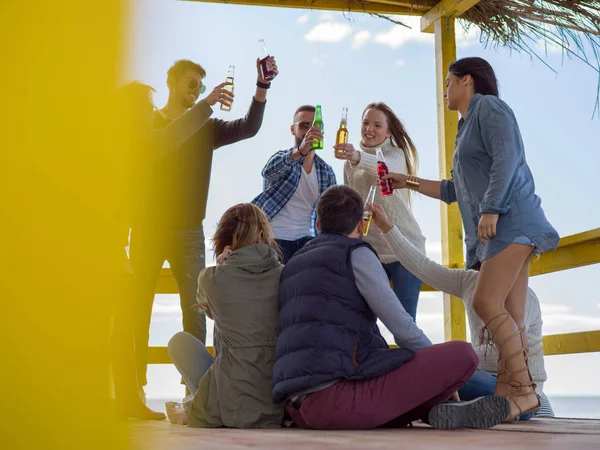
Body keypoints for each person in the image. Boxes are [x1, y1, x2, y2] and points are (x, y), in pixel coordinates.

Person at [382, 57, 560, 421]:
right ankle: (507, 399)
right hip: (501, 227)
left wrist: (491, 208)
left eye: (448, 82)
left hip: (513, 221)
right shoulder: (464, 129)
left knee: (484, 300)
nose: (444, 90)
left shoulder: (489, 107)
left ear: (466, 80)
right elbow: (454, 190)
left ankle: (525, 395)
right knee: (511, 314)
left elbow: (507, 157)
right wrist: (407, 181)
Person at [273, 185, 510, 430]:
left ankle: (437, 412)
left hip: (297, 407)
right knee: (463, 354)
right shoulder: (355, 254)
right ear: (360, 225)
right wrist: (444, 383)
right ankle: (451, 405)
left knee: (389, 379)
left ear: (319, 225)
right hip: (338, 400)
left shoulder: (292, 266)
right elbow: (402, 328)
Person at [130, 56, 279, 393]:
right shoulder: (148, 124)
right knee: (138, 306)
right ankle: (134, 386)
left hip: (188, 232)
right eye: (191, 83)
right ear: (171, 82)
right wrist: (207, 104)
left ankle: (194, 389)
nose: (197, 90)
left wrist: (262, 87)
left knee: (194, 310)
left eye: (200, 85)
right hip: (147, 229)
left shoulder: (205, 127)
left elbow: (248, 127)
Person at [368, 202, 555, 420]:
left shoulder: (525, 297)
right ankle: (454, 412)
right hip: (480, 378)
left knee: (438, 371)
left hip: (520, 392)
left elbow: (505, 353)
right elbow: (423, 266)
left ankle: (446, 407)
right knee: (432, 370)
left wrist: (451, 356)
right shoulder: (469, 281)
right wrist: (388, 228)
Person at [112, 80, 231, 420]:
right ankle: (127, 397)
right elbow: (166, 139)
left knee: (125, 320)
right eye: (146, 107)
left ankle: (129, 399)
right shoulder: (133, 139)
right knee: (125, 318)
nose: (152, 112)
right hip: (105, 243)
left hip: (115, 242)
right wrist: (206, 104)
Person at [167, 203, 285, 428]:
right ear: (264, 234)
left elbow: (210, 311)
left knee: (179, 343)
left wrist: (222, 266)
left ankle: (198, 404)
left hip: (229, 402)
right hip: (274, 403)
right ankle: (196, 403)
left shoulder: (211, 278)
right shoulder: (285, 275)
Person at [334, 103, 425, 321]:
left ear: (389, 131)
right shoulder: (350, 162)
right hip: (371, 252)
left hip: (406, 249)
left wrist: (356, 156)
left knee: (405, 321)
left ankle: (412, 355)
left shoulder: (396, 155)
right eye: (366, 123)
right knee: (362, 320)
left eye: (377, 125)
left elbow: (383, 167)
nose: (369, 129)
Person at [252, 105, 337, 263]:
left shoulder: (326, 171)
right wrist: (301, 150)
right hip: (273, 240)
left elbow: (331, 213)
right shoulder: (284, 158)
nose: (311, 130)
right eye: (305, 125)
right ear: (293, 129)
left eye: (316, 126)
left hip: (306, 242)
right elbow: (268, 172)